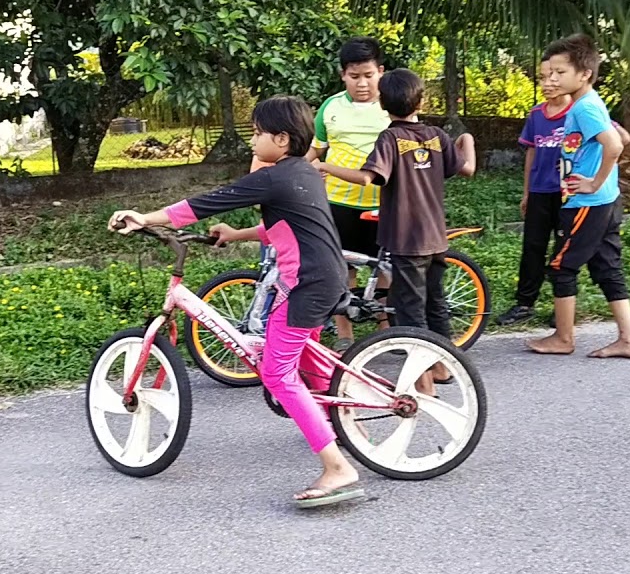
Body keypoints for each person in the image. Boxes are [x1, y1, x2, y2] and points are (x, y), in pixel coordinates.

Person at [108, 96, 362, 507]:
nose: (253, 140)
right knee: (306, 359)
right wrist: (236, 234)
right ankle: (349, 429)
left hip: (306, 284)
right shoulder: (303, 173)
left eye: (258, 133)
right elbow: (282, 225)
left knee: (277, 374)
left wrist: (144, 217)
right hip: (324, 276)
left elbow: (201, 204)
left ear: (281, 139)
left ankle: (337, 468)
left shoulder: (273, 177)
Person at [314, 68, 475, 391]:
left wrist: (323, 165)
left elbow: (366, 178)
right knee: (435, 303)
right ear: (421, 101)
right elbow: (467, 167)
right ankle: (443, 368)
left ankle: (423, 382)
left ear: (383, 104)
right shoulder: (436, 135)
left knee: (410, 310)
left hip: (405, 239)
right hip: (435, 236)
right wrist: (467, 139)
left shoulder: (389, 138)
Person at [525, 34, 630, 359]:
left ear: (584, 74)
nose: (551, 79)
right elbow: (616, 135)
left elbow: (615, 145)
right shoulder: (589, 103)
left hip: (587, 203)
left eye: (559, 73)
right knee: (607, 267)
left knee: (562, 268)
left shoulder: (586, 107)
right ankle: (629, 340)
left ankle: (563, 338)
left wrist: (593, 182)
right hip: (605, 200)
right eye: (549, 73)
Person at [306, 37, 392, 351]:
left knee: (384, 267)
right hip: (337, 202)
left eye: (369, 75)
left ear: (380, 71)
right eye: (354, 76)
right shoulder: (331, 107)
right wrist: (295, 175)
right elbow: (317, 148)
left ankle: (386, 328)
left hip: (383, 202)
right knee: (342, 267)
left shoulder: (392, 104)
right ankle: (345, 335)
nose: (363, 83)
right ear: (343, 75)